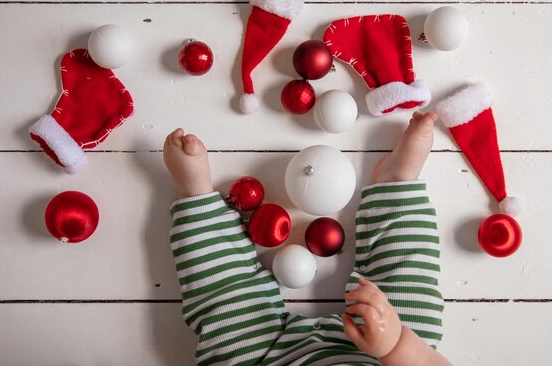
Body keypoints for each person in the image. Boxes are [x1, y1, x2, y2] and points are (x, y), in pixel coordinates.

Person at [163, 111, 452, 366]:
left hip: (267, 356)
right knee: (415, 313)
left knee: (227, 318)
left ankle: (196, 196)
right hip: (378, 356)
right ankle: (396, 182)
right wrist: (394, 345)